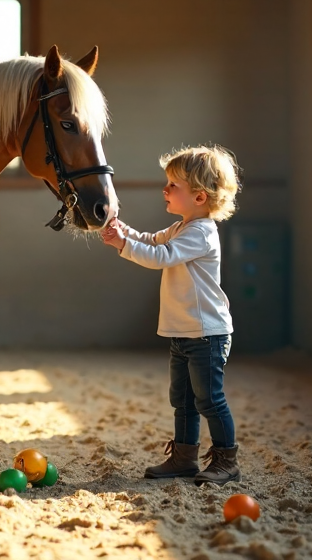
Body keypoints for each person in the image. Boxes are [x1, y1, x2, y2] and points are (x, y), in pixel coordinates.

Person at [100, 144, 242, 485]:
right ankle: (184, 457)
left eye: (173, 185)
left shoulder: (201, 233)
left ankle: (227, 460)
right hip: (184, 332)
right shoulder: (181, 227)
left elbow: (160, 256)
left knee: (210, 399)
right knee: (183, 400)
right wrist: (123, 231)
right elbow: (151, 240)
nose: (164, 190)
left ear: (200, 197)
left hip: (207, 333)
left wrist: (123, 245)